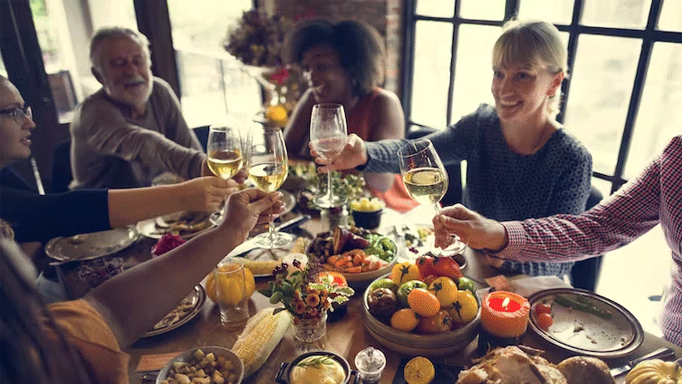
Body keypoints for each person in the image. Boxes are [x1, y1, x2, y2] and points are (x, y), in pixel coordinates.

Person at [313, 20, 592, 277]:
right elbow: (414, 151)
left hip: (534, 290)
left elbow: (563, 259)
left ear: (555, 81)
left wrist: (502, 253)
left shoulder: (572, 159)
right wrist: (365, 154)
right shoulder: (481, 125)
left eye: (523, 75)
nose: (503, 89)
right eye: (499, 73)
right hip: (474, 272)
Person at [0, 186, 282, 384]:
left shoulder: (40, 343)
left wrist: (229, 232)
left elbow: (109, 313)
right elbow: (56, 209)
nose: (8, 234)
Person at [432, 134, 682, 347]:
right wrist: (497, 233)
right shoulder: (676, 156)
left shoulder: (570, 155)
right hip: (669, 340)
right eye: (498, 74)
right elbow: (596, 228)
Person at [0, 75, 234, 243]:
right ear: (98, 73)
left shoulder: (6, 174)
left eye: (25, 111)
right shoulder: (92, 111)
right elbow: (50, 214)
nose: (30, 123)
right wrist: (184, 195)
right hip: (102, 240)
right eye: (13, 112)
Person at [283, 19, 418, 212]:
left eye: (321, 67)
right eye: (306, 68)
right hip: (333, 206)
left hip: (387, 210)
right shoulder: (313, 99)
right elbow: (284, 156)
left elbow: (381, 182)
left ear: (352, 68)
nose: (310, 77)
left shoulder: (383, 103)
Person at [70, 27, 206, 189]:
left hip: (158, 202)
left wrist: (207, 169)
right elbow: (142, 144)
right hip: (102, 210)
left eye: (137, 60)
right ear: (99, 75)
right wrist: (204, 165)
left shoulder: (159, 91)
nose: (131, 70)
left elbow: (189, 146)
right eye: (118, 64)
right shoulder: (91, 112)